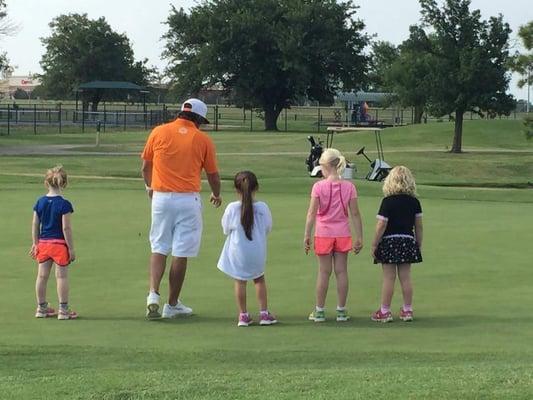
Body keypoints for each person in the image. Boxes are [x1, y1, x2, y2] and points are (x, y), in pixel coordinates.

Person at [141, 98, 222, 319]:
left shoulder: (158, 132)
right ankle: (172, 304)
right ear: (197, 117)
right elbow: (213, 175)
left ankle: (152, 294)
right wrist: (216, 194)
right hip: (188, 200)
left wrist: (150, 187)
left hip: (160, 198)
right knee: (181, 251)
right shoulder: (202, 139)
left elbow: (146, 166)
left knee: (159, 246)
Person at [304, 148, 363, 322]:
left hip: (323, 233)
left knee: (324, 272)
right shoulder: (349, 187)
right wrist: (360, 237)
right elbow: (355, 214)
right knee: (341, 271)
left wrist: (306, 234)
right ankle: (341, 310)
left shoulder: (318, 186)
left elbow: (311, 213)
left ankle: (320, 311)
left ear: (326, 166)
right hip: (343, 233)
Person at [217, 171, 277, 327]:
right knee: (259, 279)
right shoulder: (263, 207)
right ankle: (264, 313)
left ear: (237, 190)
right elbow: (268, 227)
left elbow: (225, 229)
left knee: (240, 281)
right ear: (256, 188)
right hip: (257, 251)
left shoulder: (232, 208)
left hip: (238, 252)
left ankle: (243, 315)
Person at [371, 166, 423, 323]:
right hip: (407, 240)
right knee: (405, 277)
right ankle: (407, 310)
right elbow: (418, 226)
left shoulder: (387, 202)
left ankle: (385, 311)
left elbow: (381, 225)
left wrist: (374, 244)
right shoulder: (414, 202)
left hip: (389, 241)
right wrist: (418, 243)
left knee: (389, 278)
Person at [30, 165, 77, 320]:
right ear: (64, 183)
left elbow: (35, 224)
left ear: (46, 183)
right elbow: (66, 228)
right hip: (59, 245)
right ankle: (63, 310)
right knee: (61, 277)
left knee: (42, 276)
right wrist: (71, 248)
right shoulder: (64, 204)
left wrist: (35, 243)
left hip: (43, 243)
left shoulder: (40, 202)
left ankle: (41, 308)